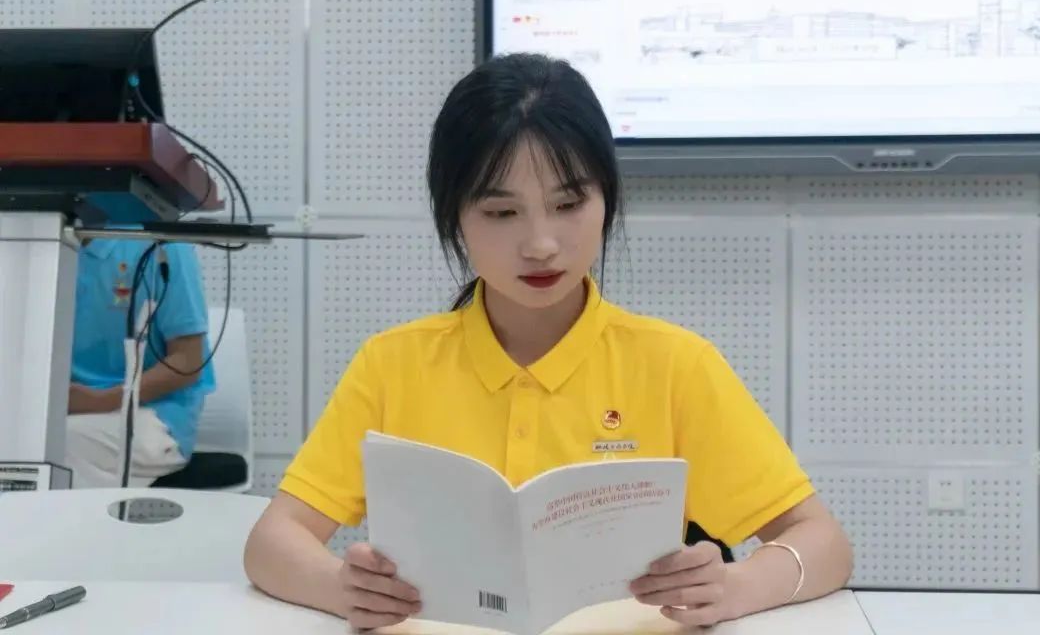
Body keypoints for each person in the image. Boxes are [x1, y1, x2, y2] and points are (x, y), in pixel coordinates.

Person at [244, 53, 853, 629]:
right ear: (454, 216)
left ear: (606, 199)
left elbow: (824, 543)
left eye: (568, 203)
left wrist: (733, 587)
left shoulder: (675, 366)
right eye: (501, 213)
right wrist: (340, 587)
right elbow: (271, 542)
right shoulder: (393, 364)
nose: (541, 244)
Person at [65, 239, 215, 488]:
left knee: (59, 441)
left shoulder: (165, 246)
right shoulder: (40, 244)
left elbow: (187, 362)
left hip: (153, 415)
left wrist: (101, 400)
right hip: (65, 411)